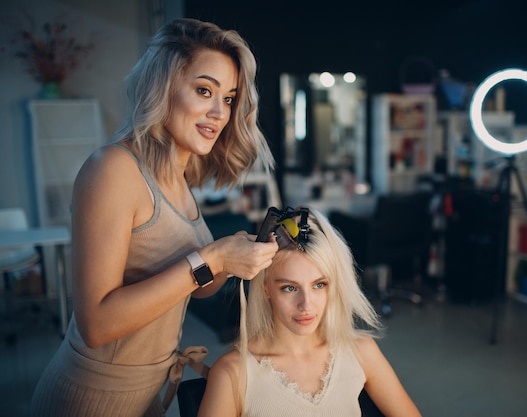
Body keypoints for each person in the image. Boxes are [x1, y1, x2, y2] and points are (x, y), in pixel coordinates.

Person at [30, 18, 278, 417]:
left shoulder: (181, 178)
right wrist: (211, 258)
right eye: (204, 90)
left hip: (149, 394)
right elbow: (96, 324)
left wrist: (233, 258)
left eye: (229, 99)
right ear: (162, 88)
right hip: (89, 398)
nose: (220, 112)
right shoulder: (112, 169)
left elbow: (194, 288)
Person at [199, 207, 422, 417]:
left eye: (319, 285)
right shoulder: (233, 373)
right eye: (290, 288)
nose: (306, 304)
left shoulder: (361, 351)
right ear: (266, 288)